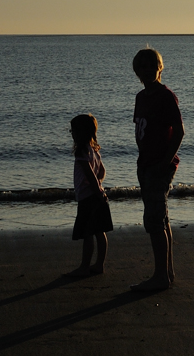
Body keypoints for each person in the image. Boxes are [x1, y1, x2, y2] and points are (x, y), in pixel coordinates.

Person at [130, 47, 184, 292]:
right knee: (161, 218)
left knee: (154, 220)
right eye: (142, 68)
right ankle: (167, 272)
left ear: (159, 68)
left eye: (151, 66)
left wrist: (165, 161)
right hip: (146, 162)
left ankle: (160, 275)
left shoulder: (165, 95)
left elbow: (178, 131)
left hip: (159, 165)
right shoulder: (141, 97)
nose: (147, 71)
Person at [65, 113, 113, 277]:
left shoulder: (81, 152)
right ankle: (99, 264)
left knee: (87, 233)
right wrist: (100, 186)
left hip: (88, 197)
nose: (71, 134)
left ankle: (84, 267)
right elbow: (101, 172)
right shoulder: (94, 150)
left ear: (81, 133)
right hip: (97, 195)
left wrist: (96, 188)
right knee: (99, 231)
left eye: (73, 131)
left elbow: (90, 175)